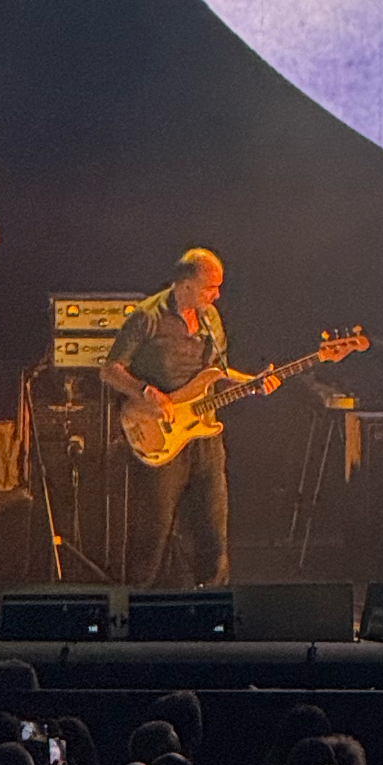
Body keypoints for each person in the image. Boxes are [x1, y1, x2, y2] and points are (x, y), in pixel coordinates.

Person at [100, 249, 276, 588]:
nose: (217, 294)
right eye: (210, 287)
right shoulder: (147, 316)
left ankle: (214, 616)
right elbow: (110, 371)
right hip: (160, 433)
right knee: (151, 536)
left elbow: (217, 373)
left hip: (205, 438)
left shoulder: (210, 319)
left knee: (213, 537)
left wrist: (251, 383)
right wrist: (145, 391)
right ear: (185, 286)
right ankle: (135, 617)